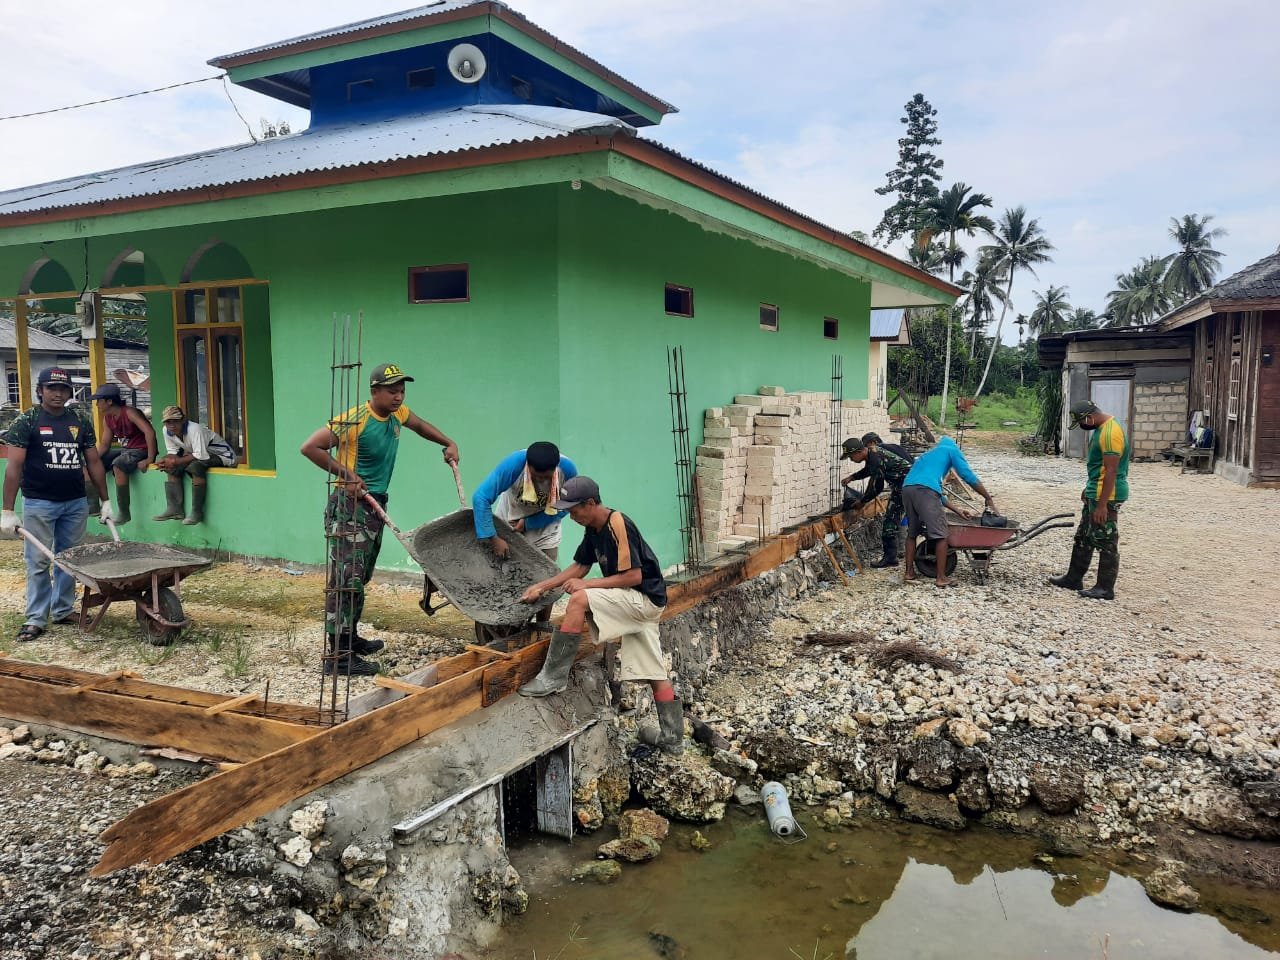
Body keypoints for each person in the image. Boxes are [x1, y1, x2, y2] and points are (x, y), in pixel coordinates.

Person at [300, 362, 459, 676]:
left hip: (374, 504)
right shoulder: (355, 419)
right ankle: (339, 658)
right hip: (349, 507)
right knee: (345, 581)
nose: (398, 397)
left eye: (401, 391)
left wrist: (448, 442)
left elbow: (421, 425)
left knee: (360, 577)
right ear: (374, 392)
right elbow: (310, 447)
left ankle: (350, 637)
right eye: (392, 391)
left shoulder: (397, 413)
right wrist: (346, 475)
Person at [518, 476, 684, 755]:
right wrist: (542, 586)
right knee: (655, 669)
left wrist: (588, 585)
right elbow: (581, 566)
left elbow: (633, 575)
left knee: (579, 599)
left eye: (574, 510)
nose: (571, 516)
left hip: (642, 598)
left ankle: (553, 678)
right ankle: (673, 738)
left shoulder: (617, 522)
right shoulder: (593, 528)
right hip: (644, 603)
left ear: (591, 503)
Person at [1, 367, 113, 642]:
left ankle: (63, 610)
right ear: (40, 390)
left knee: (68, 560)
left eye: (64, 389)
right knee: (38, 561)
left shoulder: (79, 420)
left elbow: (94, 461)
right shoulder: (27, 421)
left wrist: (106, 500)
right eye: (52, 388)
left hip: (74, 502)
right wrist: (7, 510)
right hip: (40, 502)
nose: (58, 394)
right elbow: (14, 466)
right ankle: (36, 618)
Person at [1049, 399, 1129, 600]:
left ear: (1090, 417)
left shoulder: (1111, 433)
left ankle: (1105, 587)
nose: (1083, 428)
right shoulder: (1101, 429)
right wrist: (1089, 489)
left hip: (1107, 496)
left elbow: (1111, 470)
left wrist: (1102, 504)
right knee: (1084, 536)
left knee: (1105, 539)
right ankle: (1073, 578)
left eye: (1082, 423)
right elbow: (1100, 467)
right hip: (1097, 492)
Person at [901, 436, 997, 588]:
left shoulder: (928, 455)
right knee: (942, 535)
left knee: (912, 533)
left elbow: (935, 493)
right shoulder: (951, 450)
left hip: (907, 489)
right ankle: (941, 578)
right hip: (924, 491)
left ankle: (909, 573)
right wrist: (987, 497)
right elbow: (968, 476)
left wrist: (958, 510)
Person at [472, 441, 579, 562]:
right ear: (528, 465)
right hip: (509, 524)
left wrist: (529, 523)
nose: (540, 481)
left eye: (546, 478)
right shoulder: (513, 465)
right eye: (535, 476)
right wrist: (493, 538)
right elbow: (481, 497)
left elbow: (568, 505)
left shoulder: (567, 471)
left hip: (545, 529)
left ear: (555, 468)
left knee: (545, 573)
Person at [152, 406, 237, 525]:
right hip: (201, 454)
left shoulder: (194, 429)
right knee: (171, 468)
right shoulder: (166, 431)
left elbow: (200, 455)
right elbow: (173, 453)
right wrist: (165, 461)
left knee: (195, 467)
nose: (171, 425)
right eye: (167, 422)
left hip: (223, 456)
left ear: (183, 420)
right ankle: (175, 509)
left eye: (175, 421)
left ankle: (197, 513)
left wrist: (175, 461)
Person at [840, 432, 914, 568]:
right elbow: (869, 470)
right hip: (905, 485)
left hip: (906, 487)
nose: (851, 460)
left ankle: (890, 558)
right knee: (892, 521)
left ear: (858, 452)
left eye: (851, 457)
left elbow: (878, 487)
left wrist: (862, 502)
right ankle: (892, 557)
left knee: (890, 523)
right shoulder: (873, 452)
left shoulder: (875, 458)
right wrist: (852, 477)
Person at [88, 383, 156, 524]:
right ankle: (93, 506)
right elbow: (105, 445)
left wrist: (150, 457)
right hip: (126, 450)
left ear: (109, 401)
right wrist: (92, 460)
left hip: (140, 450)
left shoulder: (130, 412)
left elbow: (149, 432)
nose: (97, 405)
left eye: (99, 401)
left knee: (118, 464)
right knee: (91, 464)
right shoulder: (107, 418)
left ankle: (124, 513)